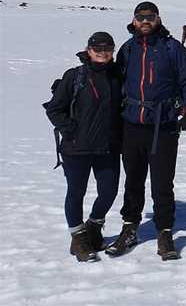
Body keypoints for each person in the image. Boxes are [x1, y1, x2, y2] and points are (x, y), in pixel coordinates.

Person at [106, 2, 186, 260]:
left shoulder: (172, 49)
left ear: (158, 19)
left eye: (150, 17)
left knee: (162, 183)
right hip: (132, 124)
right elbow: (114, 81)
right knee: (133, 181)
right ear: (134, 20)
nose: (145, 21)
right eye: (141, 17)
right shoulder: (128, 49)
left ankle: (165, 232)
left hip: (164, 126)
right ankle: (130, 228)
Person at [43, 32, 123, 262]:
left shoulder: (117, 76)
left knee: (108, 192)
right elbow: (55, 109)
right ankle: (78, 239)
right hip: (76, 148)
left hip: (107, 147)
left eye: (108, 49)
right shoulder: (75, 76)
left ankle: (94, 227)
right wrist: (71, 131)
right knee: (76, 192)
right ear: (88, 50)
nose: (103, 53)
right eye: (97, 49)